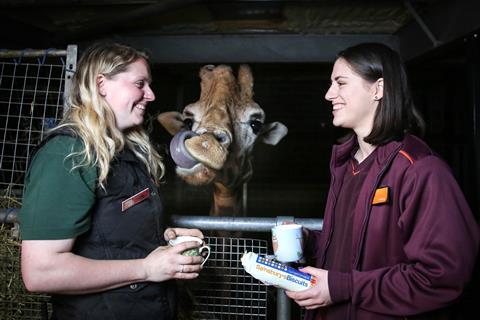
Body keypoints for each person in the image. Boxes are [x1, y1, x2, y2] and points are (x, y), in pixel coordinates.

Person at [286, 43, 479, 319]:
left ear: (378, 89)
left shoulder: (421, 170)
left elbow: (442, 276)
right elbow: (358, 251)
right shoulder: (348, 165)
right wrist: (310, 242)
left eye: (340, 83)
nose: (329, 94)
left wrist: (343, 287)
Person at [19, 42, 206, 320]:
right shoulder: (69, 154)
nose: (151, 95)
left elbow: (112, 232)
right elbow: (41, 272)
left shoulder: (125, 151)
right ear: (101, 84)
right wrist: (145, 268)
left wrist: (164, 242)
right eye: (140, 83)